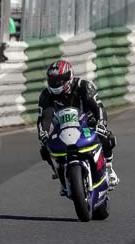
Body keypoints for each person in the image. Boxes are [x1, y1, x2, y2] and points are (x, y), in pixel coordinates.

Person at [37, 60, 119, 191]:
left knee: (107, 136)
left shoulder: (84, 86)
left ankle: (109, 168)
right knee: (45, 148)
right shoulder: (46, 94)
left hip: (87, 122)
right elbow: (44, 118)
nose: (55, 83)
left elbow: (99, 108)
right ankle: (59, 173)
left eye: (58, 80)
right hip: (62, 126)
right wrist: (43, 133)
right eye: (52, 80)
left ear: (68, 77)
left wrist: (101, 124)